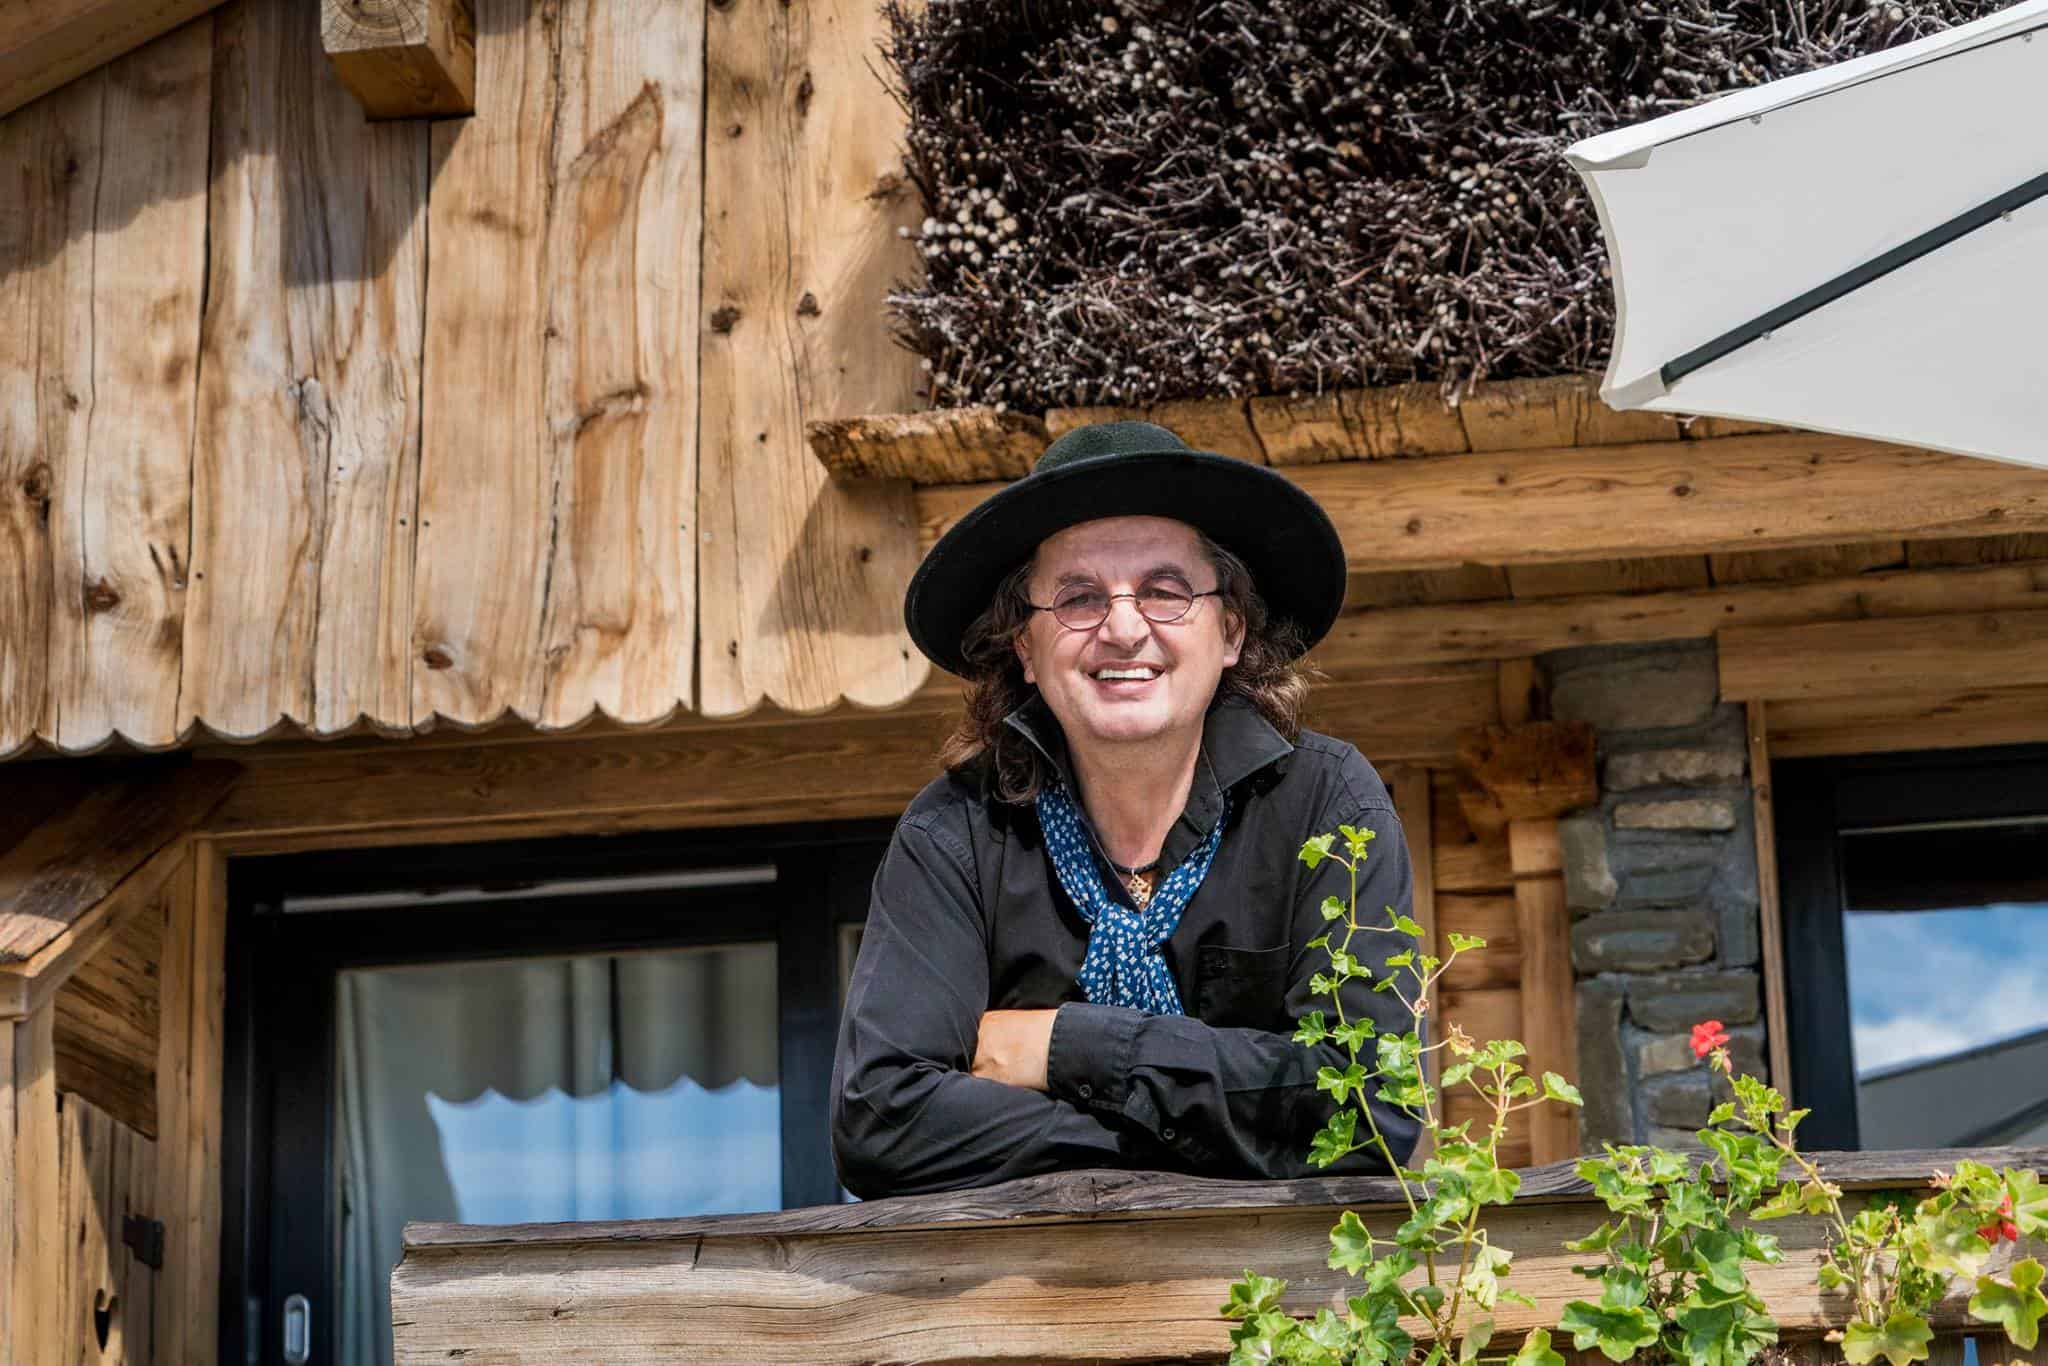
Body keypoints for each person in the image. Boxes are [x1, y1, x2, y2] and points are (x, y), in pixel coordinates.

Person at [830, 420, 1420, 1197]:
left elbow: (1368, 1107)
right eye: (1077, 598)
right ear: (1026, 651)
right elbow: (879, 1120)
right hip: (1028, 1306)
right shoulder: (955, 834)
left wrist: (1061, 1049)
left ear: (1232, 631)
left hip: (1288, 1308)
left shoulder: (1327, 806)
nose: (1123, 626)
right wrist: (1185, 1136)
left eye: (1165, 592)